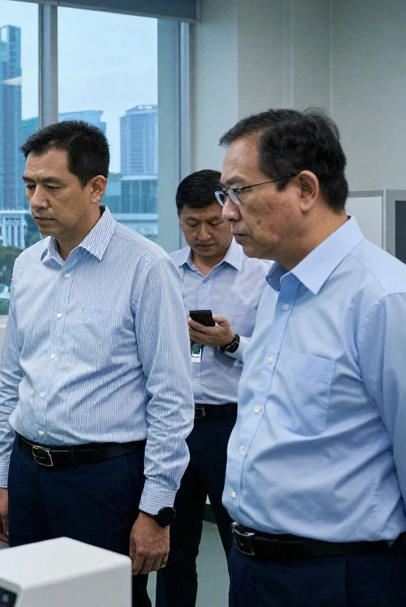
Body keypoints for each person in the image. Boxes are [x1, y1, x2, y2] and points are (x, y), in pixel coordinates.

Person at [216, 109, 406, 607]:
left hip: (342, 578)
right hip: (254, 568)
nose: (228, 212)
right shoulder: (278, 288)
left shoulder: (386, 299)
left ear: (305, 189)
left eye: (239, 191)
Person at [0, 121, 193, 607]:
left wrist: (156, 510)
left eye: (52, 186)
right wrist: (3, 478)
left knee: (104, 601)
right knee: (32, 598)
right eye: (30, 185)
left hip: (105, 482)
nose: (36, 200)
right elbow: (13, 379)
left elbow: (171, 396)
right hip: (29, 472)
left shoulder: (146, 266)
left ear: (96, 186)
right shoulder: (27, 266)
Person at [156, 169, 271, 607]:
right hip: (174, 426)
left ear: (228, 214)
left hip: (234, 426)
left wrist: (232, 343)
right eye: (191, 223)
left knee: (240, 544)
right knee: (171, 548)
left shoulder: (263, 274)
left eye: (213, 222)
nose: (202, 235)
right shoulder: (162, 271)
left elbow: (281, 355)